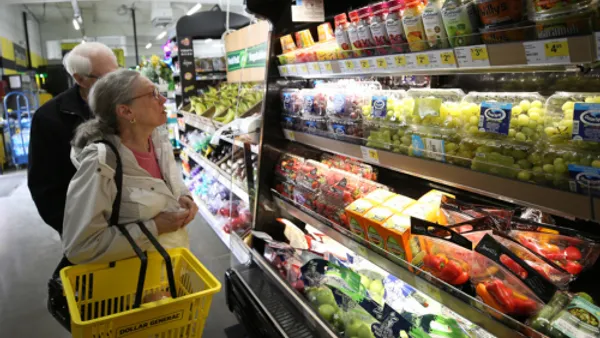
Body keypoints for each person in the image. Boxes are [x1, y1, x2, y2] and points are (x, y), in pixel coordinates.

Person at [62, 69, 198, 264]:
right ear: (126, 111)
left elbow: (170, 178)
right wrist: (154, 227)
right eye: (153, 94)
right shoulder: (102, 162)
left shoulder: (157, 138)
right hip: (135, 284)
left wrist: (183, 196)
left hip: (171, 266)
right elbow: (81, 246)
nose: (163, 100)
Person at [28, 42, 119, 235]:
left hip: (133, 219)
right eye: (107, 77)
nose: (116, 82)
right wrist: (72, 227)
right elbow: (44, 184)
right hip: (84, 224)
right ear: (80, 79)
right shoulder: (49, 118)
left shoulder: (126, 103)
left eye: (117, 73)